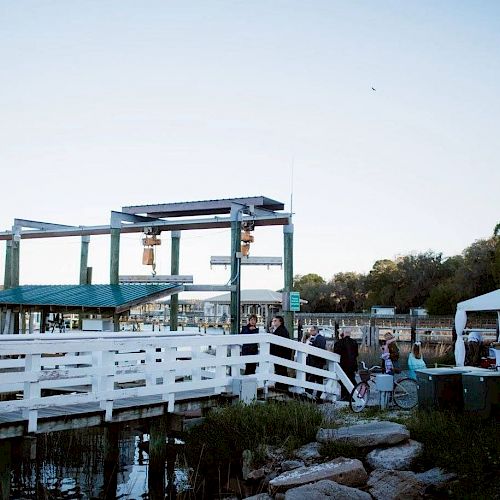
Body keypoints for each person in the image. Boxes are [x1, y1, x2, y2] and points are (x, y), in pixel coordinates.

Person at [333, 328, 359, 399]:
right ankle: (352, 396)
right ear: (350, 334)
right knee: (351, 380)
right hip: (352, 365)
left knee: (343, 381)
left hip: (342, 365)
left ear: (343, 333)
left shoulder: (338, 343)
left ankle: (344, 396)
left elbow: (335, 354)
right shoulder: (354, 342)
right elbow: (356, 354)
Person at [270, 315, 293, 390]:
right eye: (273, 321)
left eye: (275, 321)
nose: (273, 322)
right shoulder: (279, 330)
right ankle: (281, 385)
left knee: (281, 370)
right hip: (281, 354)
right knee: (281, 370)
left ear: (280, 322)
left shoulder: (281, 330)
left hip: (281, 354)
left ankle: (281, 386)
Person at [304, 326, 326, 400]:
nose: (310, 332)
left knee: (316, 378)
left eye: (312, 330)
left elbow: (320, 349)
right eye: (310, 331)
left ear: (316, 330)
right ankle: (312, 393)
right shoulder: (312, 338)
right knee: (314, 378)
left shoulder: (321, 338)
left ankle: (313, 394)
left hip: (317, 362)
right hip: (312, 361)